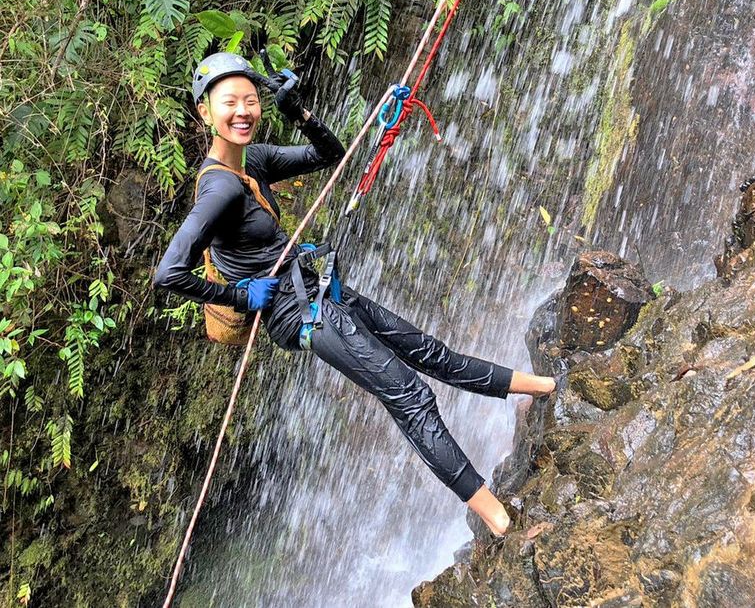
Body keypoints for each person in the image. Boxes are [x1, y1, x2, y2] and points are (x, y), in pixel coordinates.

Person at [153, 52, 555, 536]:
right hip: (301, 314)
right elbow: (168, 273)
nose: (243, 111)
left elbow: (330, 154)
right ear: (204, 112)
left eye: (251, 100)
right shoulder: (218, 188)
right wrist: (242, 298)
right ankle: (495, 516)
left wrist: (296, 110)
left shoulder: (252, 162)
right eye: (228, 103)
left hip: (318, 288)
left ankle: (543, 386)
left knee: (430, 353)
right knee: (410, 395)